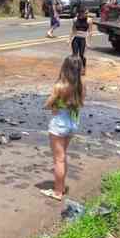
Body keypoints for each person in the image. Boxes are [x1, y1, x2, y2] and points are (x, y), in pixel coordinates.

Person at [41, 56, 85, 201]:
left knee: (58, 159)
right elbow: (79, 104)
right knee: (63, 156)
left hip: (59, 123)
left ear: (64, 68)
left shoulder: (60, 86)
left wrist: (52, 105)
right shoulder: (81, 86)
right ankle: (62, 186)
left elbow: (48, 104)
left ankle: (57, 191)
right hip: (73, 123)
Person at [71, 6, 92, 75]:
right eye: (85, 13)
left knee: (82, 55)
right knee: (74, 55)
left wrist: (88, 42)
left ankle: (83, 68)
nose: (87, 14)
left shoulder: (89, 20)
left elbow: (90, 32)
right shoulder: (75, 19)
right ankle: (75, 69)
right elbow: (73, 30)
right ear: (80, 13)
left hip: (83, 39)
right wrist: (69, 39)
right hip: (76, 38)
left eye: (87, 13)